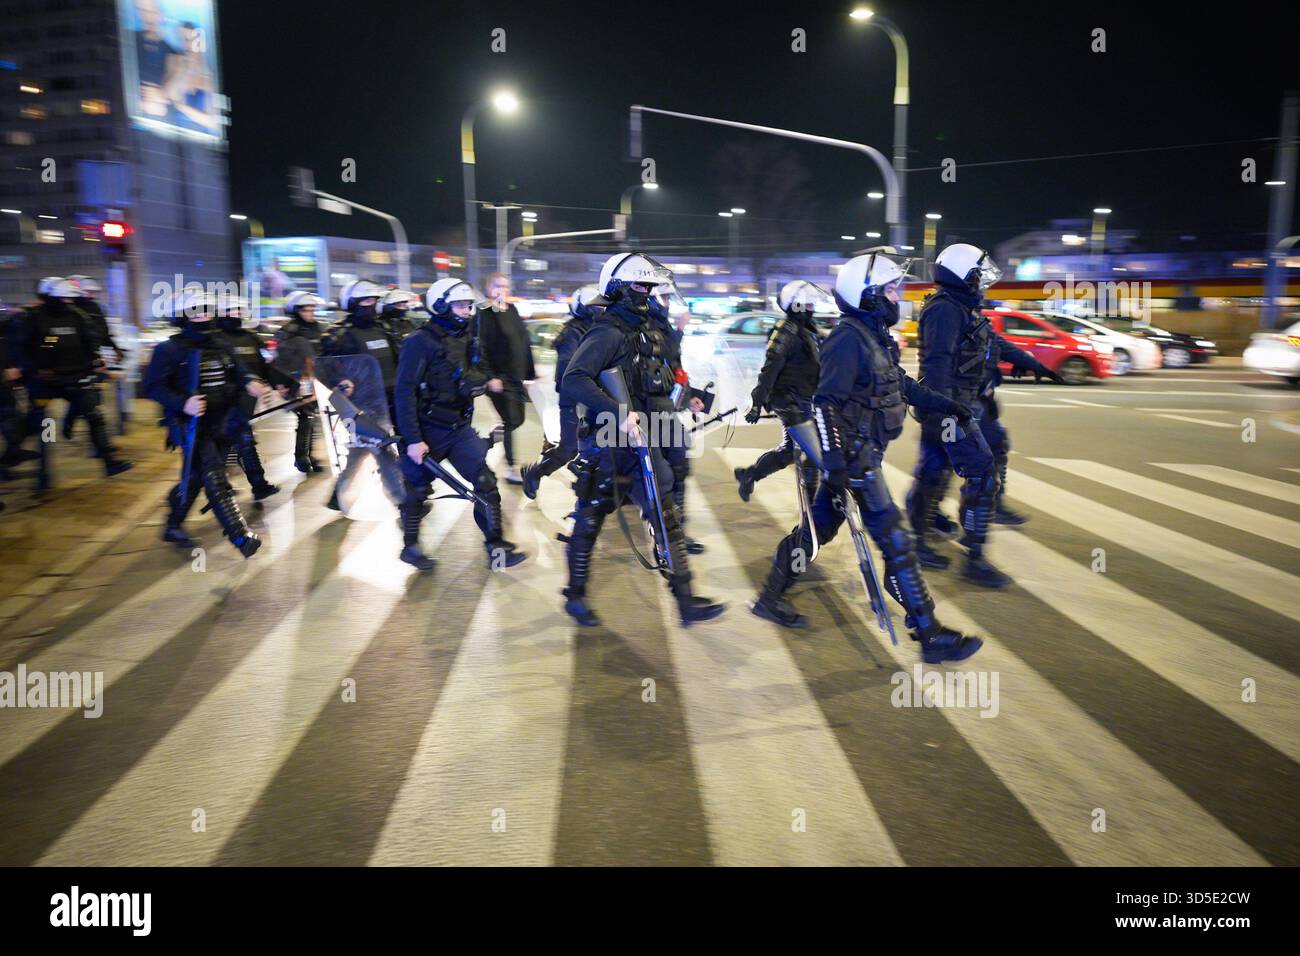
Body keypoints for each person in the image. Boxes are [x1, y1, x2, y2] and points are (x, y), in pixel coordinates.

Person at [751, 252, 983, 664]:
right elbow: (825, 404)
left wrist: (947, 405)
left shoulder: (874, 337)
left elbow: (902, 385)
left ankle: (771, 595)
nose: (898, 296)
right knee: (896, 541)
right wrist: (838, 464)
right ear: (869, 296)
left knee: (818, 530)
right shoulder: (847, 339)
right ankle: (928, 633)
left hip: (862, 455)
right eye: (891, 290)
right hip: (856, 459)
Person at [559, 253, 725, 627]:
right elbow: (574, 379)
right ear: (618, 288)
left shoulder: (646, 329)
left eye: (649, 286)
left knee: (665, 513)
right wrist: (617, 412)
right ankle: (574, 595)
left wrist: (689, 396)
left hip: (645, 441)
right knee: (591, 516)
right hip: (609, 445)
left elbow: (657, 383)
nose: (646, 292)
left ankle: (685, 601)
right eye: (639, 285)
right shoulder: (608, 331)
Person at [906, 244, 1065, 586]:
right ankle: (970, 557)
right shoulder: (945, 310)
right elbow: (937, 363)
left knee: (938, 471)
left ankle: (927, 534)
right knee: (972, 474)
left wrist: (1035, 365)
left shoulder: (964, 308)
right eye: (978, 275)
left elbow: (997, 343)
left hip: (961, 405)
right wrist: (943, 410)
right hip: (949, 408)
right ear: (963, 274)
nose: (982, 282)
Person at [392, 278, 526, 572]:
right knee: (416, 490)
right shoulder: (420, 342)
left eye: (468, 305)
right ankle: (410, 547)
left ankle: (496, 549)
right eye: (460, 305)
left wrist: (486, 381)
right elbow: (404, 391)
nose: (466, 310)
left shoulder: (467, 337)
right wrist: (413, 439)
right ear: (441, 305)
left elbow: (474, 373)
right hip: (427, 428)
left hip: (458, 427)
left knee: (486, 484)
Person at [144, 290, 270, 557]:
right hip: (190, 426)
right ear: (182, 317)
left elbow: (239, 371)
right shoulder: (168, 349)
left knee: (194, 478)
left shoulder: (221, 343)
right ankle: (239, 536)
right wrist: (183, 402)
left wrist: (250, 382)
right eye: (197, 312)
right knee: (214, 475)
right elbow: (153, 386)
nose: (204, 316)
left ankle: (173, 523)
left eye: (207, 310)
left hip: (224, 422)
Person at [6, 277, 132, 490]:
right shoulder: (33, 319)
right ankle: (38, 469)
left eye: (69, 298)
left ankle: (109, 461)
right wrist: (25, 368)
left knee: (94, 415)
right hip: (44, 381)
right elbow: (19, 346)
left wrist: (97, 358)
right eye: (62, 298)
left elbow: (91, 339)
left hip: (75, 377)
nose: (67, 302)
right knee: (43, 425)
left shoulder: (78, 316)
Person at [734, 280, 824, 503]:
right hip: (789, 400)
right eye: (809, 304)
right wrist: (757, 401)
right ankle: (812, 507)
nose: (813, 309)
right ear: (797, 306)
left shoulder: (807, 331)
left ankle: (750, 475)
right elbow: (771, 367)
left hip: (802, 399)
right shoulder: (786, 330)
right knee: (814, 451)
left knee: (788, 451)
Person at [319, 279, 406, 512]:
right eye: (366, 300)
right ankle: (403, 501)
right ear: (353, 303)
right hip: (362, 406)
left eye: (374, 301)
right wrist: (339, 381)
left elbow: (401, 360)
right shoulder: (339, 335)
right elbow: (323, 367)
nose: (371, 305)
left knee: (359, 453)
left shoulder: (385, 330)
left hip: (392, 400)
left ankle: (338, 497)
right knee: (383, 449)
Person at [520, 284, 600, 500]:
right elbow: (569, 370)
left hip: (596, 398)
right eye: (595, 307)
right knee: (568, 449)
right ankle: (535, 473)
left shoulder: (598, 331)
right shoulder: (572, 333)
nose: (599, 310)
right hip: (573, 400)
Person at [215, 293, 287, 502]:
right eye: (231, 310)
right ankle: (251, 485)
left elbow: (265, 367)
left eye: (239, 310)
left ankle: (238, 486)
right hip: (223, 401)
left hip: (246, 401)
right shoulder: (216, 340)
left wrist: (282, 383)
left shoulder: (252, 338)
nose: (236, 314)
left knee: (234, 443)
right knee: (234, 442)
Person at [475, 272, 535, 484]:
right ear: (489, 289)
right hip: (498, 379)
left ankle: (483, 444)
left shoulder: (512, 310)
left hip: (515, 377)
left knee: (517, 419)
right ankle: (511, 467)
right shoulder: (485, 313)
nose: (503, 289)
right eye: (498, 285)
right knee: (510, 420)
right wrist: (490, 377)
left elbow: (523, 341)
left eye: (506, 286)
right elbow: (480, 348)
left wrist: (530, 372)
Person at [273, 290, 326, 474]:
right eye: (306, 309)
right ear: (296, 311)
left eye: (312, 309)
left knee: (313, 419)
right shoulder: (289, 331)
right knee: (306, 418)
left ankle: (308, 456)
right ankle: (302, 458)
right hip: (297, 381)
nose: (310, 312)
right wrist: (283, 383)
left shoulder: (318, 328)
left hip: (317, 379)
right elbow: (279, 359)